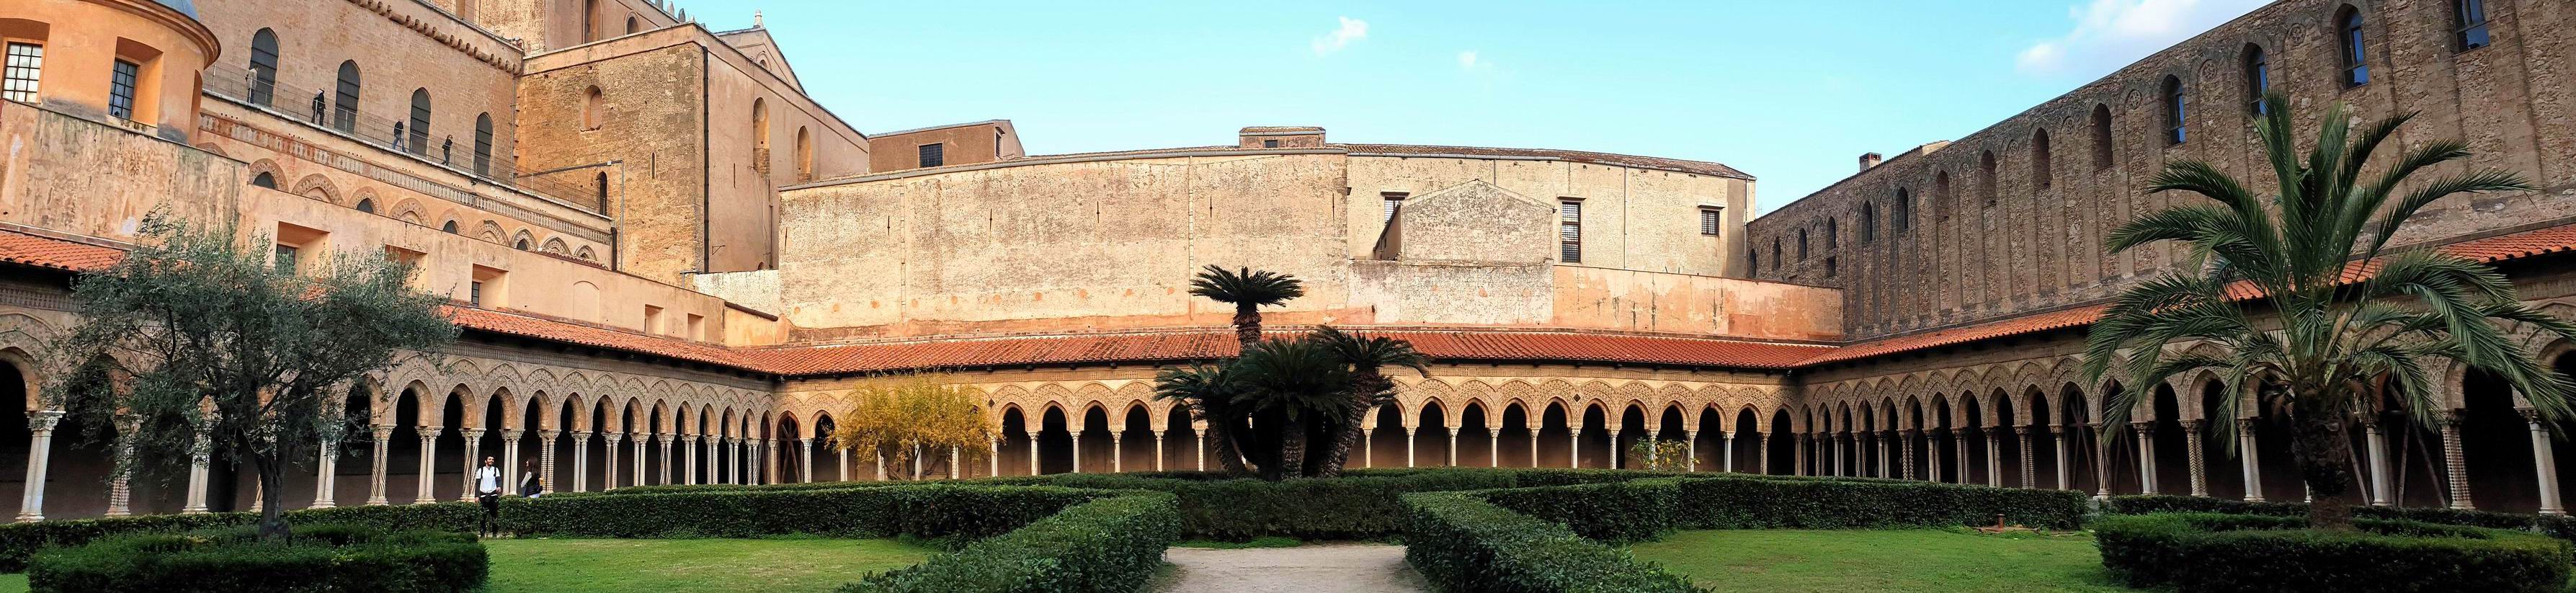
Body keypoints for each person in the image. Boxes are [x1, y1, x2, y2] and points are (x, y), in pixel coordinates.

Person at [475, 456, 502, 537]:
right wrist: (477, 496)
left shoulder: (495, 470)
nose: (491, 461)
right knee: (483, 516)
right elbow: (478, 484)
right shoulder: (481, 470)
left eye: (493, 459)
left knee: (494, 515)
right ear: (486, 461)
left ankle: (495, 534)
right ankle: (482, 534)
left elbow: (498, 480)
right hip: (483, 495)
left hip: (493, 494)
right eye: (490, 459)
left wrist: (499, 486)